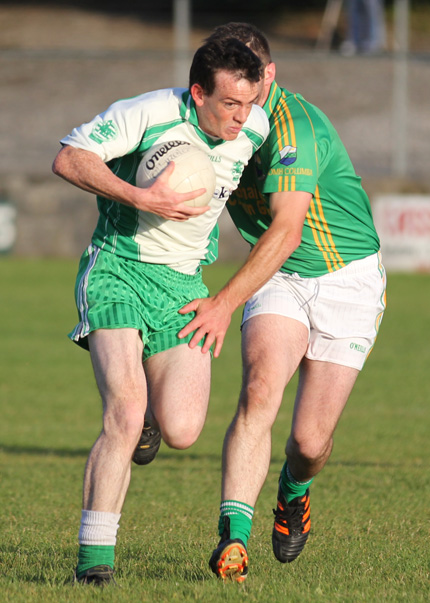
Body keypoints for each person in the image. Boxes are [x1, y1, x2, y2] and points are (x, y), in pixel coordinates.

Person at [52, 37, 269, 585]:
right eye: (229, 105)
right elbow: (69, 157)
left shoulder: (258, 128)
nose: (243, 117)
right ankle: (94, 563)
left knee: (183, 428)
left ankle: (150, 412)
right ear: (198, 93)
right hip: (117, 271)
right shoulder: (146, 113)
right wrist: (141, 197)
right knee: (123, 414)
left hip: (183, 288)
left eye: (250, 103)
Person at [177, 23, 387, 582]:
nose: (242, 102)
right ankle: (233, 541)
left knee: (309, 441)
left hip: (347, 279)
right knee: (259, 389)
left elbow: (286, 229)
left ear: (270, 75)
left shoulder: (296, 127)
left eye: (255, 82)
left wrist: (222, 302)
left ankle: (294, 492)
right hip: (278, 277)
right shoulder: (207, 120)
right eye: (232, 90)